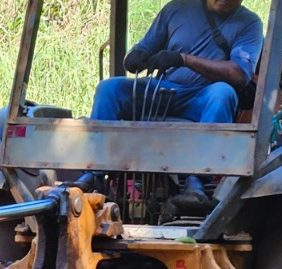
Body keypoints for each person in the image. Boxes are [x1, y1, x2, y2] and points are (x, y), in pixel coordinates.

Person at [90, 0, 264, 202]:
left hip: (200, 98)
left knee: (223, 92)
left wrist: (184, 59)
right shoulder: (176, 9)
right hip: (161, 91)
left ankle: (197, 180)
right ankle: (93, 172)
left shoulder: (249, 23)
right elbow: (144, 48)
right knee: (109, 88)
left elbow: (239, 74)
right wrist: (135, 57)